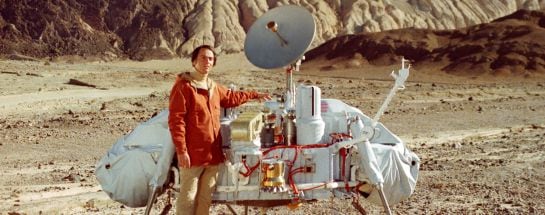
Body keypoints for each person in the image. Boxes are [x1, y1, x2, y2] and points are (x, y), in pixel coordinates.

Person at [168, 45, 271, 215]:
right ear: (194, 61)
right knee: (188, 198)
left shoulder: (213, 87)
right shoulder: (184, 87)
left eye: (210, 58)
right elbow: (176, 121)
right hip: (193, 155)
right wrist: (181, 151)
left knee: (205, 199)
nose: (207, 61)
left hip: (212, 155)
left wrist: (254, 94)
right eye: (202, 57)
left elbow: (231, 97)